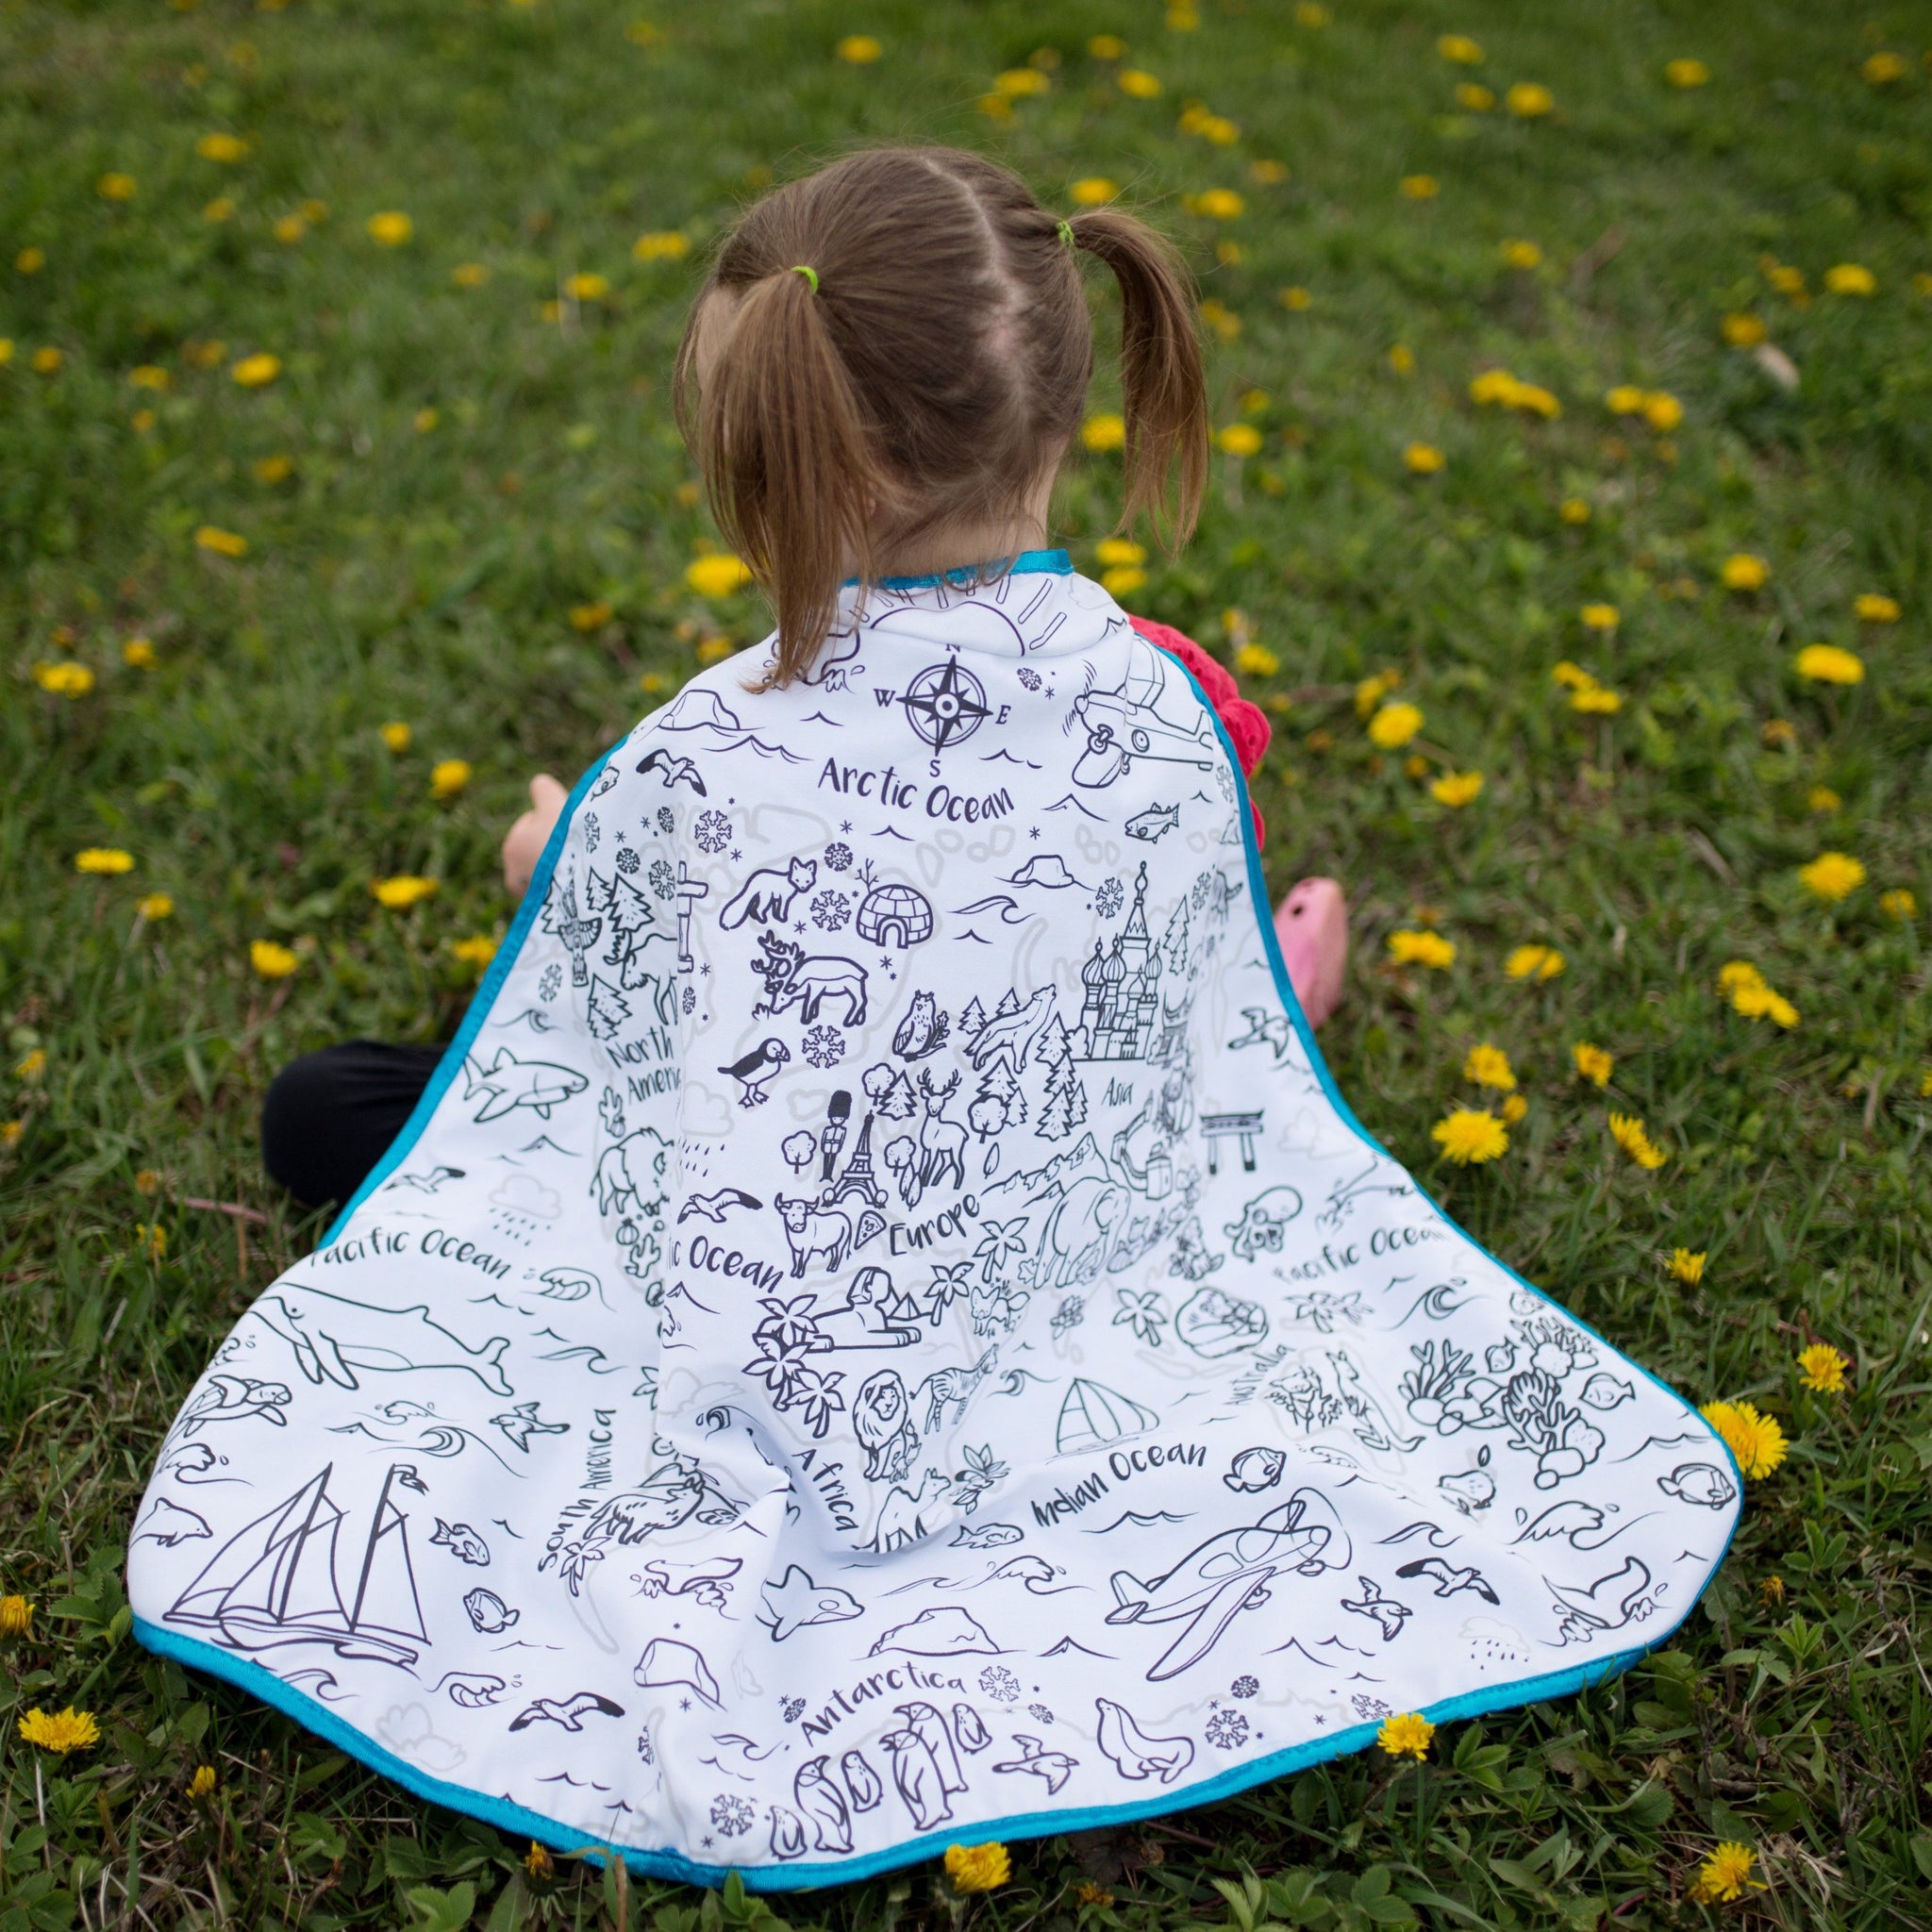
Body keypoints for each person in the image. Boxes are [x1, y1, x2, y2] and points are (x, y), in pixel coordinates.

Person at [140, 148, 1728, 1888]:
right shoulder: (1159, 700)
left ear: (779, 468)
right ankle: (1269, 993)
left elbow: (636, 987)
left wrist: (547, 858)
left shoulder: (699, 763)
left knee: (340, 1112)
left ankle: (1263, 993)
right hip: (1068, 1174)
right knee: (1196, 1027)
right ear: (1060, 408)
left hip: (799, 1205)